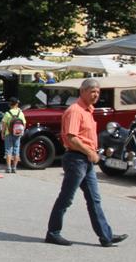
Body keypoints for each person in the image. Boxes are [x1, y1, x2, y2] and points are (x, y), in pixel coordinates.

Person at [45, 78, 127, 248]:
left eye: (97, 91)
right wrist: (90, 152)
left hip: (85, 160)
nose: (95, 94)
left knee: (94, 199)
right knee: (66, 198)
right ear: (82, 91)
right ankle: (53, 233)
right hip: (77, 159)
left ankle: (106, 236)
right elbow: (71, 137)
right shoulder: (75, 111)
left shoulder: (88, 110)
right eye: (92, 91)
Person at [1, 96, 26, 174]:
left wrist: (3, 133)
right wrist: (21, 132)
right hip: (18, 134)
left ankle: (8, 168)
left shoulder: (7, 114)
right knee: (16, 150)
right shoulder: (21, 113)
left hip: (8, 133)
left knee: (8, 150)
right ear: (17, 104)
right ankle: (14, 168)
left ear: (10, 104)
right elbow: (24, 124)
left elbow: (4, 125)